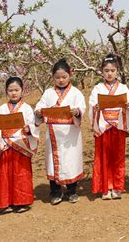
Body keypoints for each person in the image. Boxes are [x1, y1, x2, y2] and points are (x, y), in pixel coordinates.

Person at [35, 58, 86, 205]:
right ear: (53, 77)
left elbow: (81, 108)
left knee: (71, 161)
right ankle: (55, 191)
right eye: (57, 77)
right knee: (53, 162)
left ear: (70, 75)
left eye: (64, 77)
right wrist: (38, 112)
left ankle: (72, 190)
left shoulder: (76, 93)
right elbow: (40, 106)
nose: (61, 80)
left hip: (70, 134)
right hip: (53, 134)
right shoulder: (48, 93)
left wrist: (77, 111)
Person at [0, 76, 39, 214]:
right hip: (6, 146)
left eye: (17, 90)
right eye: (10, 90)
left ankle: (23, 201)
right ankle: (5, 202)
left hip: (21, 145)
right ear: (6, 91)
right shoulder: (2, 108)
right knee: (5, 174)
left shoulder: (27, 109)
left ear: (22, 90)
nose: (14, 93)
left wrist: (29, 130)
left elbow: (34, 126)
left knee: (21, 174)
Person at [89, 54, 129, 200]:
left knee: (118, 157)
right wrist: (95, 107)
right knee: (103, 157)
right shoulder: (97, 88)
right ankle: (105, 187)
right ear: (102, 71)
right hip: (103, 126)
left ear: (117, 71)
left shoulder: (124, 88)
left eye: (112, 70)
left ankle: (117, 186)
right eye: (106, 70)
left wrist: (128, 106)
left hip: (118, 126)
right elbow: (92, 105)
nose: (109, 73)